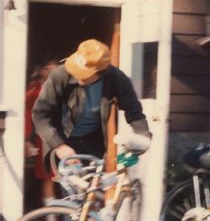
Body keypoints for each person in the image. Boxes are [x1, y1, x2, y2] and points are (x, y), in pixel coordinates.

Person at [32, 39, 151, 167]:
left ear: (100, 72)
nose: (77, 74)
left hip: (93, 141)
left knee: (95, 183)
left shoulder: (116, 78)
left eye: (83, 73)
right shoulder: (60, 75)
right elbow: (40, 114)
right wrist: (59, 145)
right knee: (72, 184)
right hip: (63, 139)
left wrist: (143, 136)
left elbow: (134, 110)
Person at [24, 57, 58, 214]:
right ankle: (50, 218)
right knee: (47, 177)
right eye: (47, 68)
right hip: (44, 136)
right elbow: (27, 115)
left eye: (54, 68)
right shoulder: (34, 90)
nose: (51, 72)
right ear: (40, 70)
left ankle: (72, 218)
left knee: (69, 176)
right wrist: (25, 139)